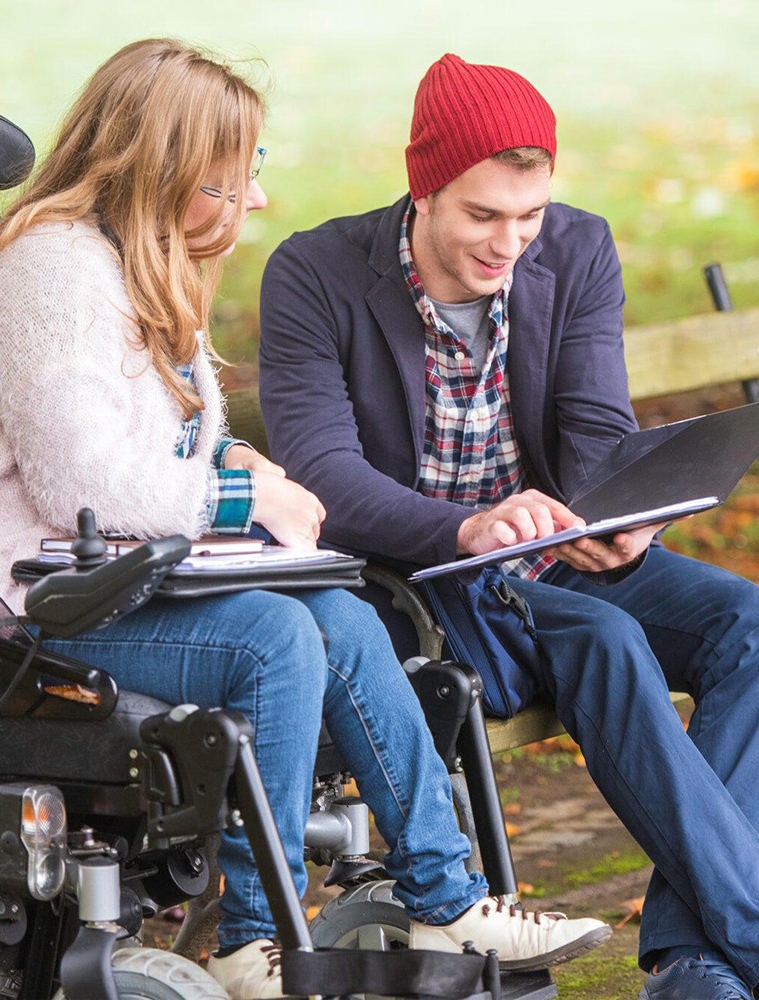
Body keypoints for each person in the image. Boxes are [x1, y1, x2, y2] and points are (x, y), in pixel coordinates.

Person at [0, 40, 609, 1000]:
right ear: (163, 170)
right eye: (230, 183)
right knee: (273, 635)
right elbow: (83, 486)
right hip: (5, 603)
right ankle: (249, 936)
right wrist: (242, 497)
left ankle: (449, 896)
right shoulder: (50, 271)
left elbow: (151, 449)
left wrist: (235, 460)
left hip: (104, 583)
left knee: (342, 613)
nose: (254, 204)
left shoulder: (139, 269)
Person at [259, 51, 759, 1000]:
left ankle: (696, 961)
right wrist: (469, 529)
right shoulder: (315, 273)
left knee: (750, 625)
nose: (509, 243)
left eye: (527, 215)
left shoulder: (574, 249)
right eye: (482, 215)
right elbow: (323, 475)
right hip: (421, 579)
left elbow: (595, 429)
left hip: (550, 553)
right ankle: (742, 940)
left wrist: (618, 517)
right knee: (606, 638)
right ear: (423, 188)